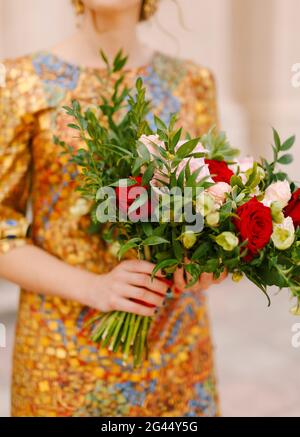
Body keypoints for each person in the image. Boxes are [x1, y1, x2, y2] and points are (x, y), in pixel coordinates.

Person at [0, 0, 225, 417]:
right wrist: (95, 288)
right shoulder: (20, 83)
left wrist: (209, 261)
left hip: (176, 349)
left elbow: (213, 208)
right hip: (64, 353)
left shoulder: (193, 82)